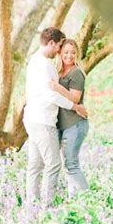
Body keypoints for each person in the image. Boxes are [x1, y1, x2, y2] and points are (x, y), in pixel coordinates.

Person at [23, 28, 87, 205]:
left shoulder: (34, 60)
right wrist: (76, 107)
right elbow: (50, 95)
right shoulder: (45, 65)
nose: (60, 51)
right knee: (53, 164)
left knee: (35, 165)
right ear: (52, 43)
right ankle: (47, 206)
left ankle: (32, 205)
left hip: (31, 118)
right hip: (43, 121)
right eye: (60, 47)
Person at [49, 39, 90, 197]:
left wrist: (58, 87)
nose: (69, 55)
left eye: (73, 52)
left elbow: (74, 98)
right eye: (66, 52)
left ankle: (87, 201)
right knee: (67, 166)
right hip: (62, 125)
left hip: (75, 124)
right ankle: (74, 201)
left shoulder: (76, 72)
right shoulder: (57, 72)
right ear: (60, 53)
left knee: (71, 164)